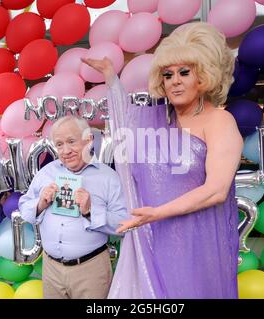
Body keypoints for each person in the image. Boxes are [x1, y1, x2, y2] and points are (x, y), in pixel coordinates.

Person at [82, 22, 243, 298]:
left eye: (184, 72)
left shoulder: (220, 121)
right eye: (168, 75)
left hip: (198, 240)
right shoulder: (157, 120)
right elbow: (124, 123)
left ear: (204, 75)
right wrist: (111, 77)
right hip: (155, 236)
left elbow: (217, 190)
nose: (175, 81)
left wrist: (158, 212)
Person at [18, 116, 129, 299]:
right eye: (59, 144)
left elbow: (124, 224)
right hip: (51, 269)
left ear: (89, 140)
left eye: (71, 141)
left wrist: (90, 211)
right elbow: (24, 206)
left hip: (91, 270)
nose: (66, 151)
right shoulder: (47, 172)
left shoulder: (109, 177)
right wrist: (40, 204)